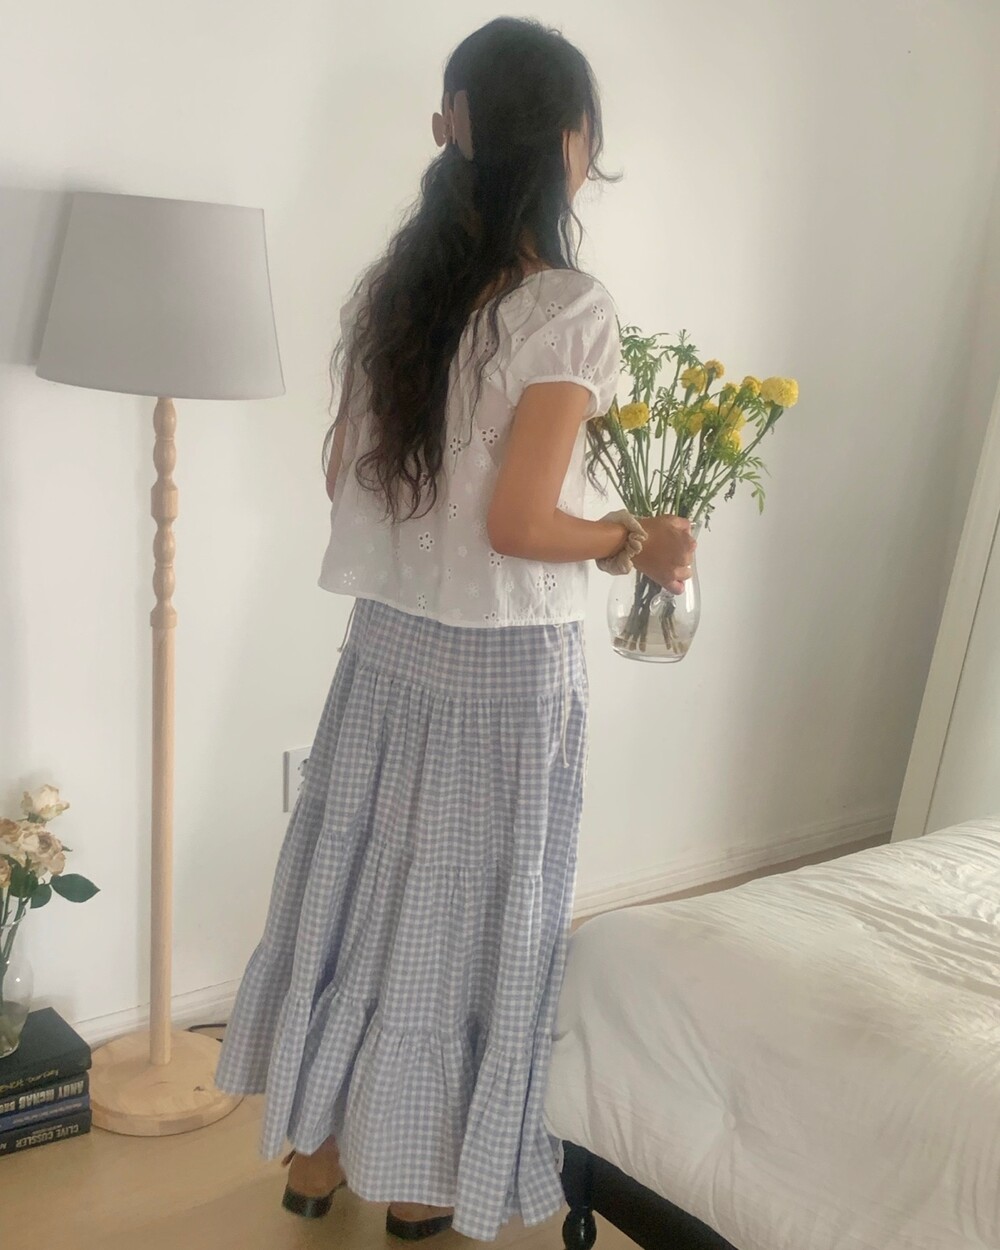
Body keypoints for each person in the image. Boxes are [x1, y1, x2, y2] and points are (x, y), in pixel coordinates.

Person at [216, 16, 694, 1244]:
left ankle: (318, 1152)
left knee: (362, 886)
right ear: (563, 142)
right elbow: (521, 522)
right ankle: (422, 1172)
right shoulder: (567, 308)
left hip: (387, 650)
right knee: (466, 915)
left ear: (458, 132)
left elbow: (344, 474)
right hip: (503, 667)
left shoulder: (400, 287)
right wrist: (628, 538)